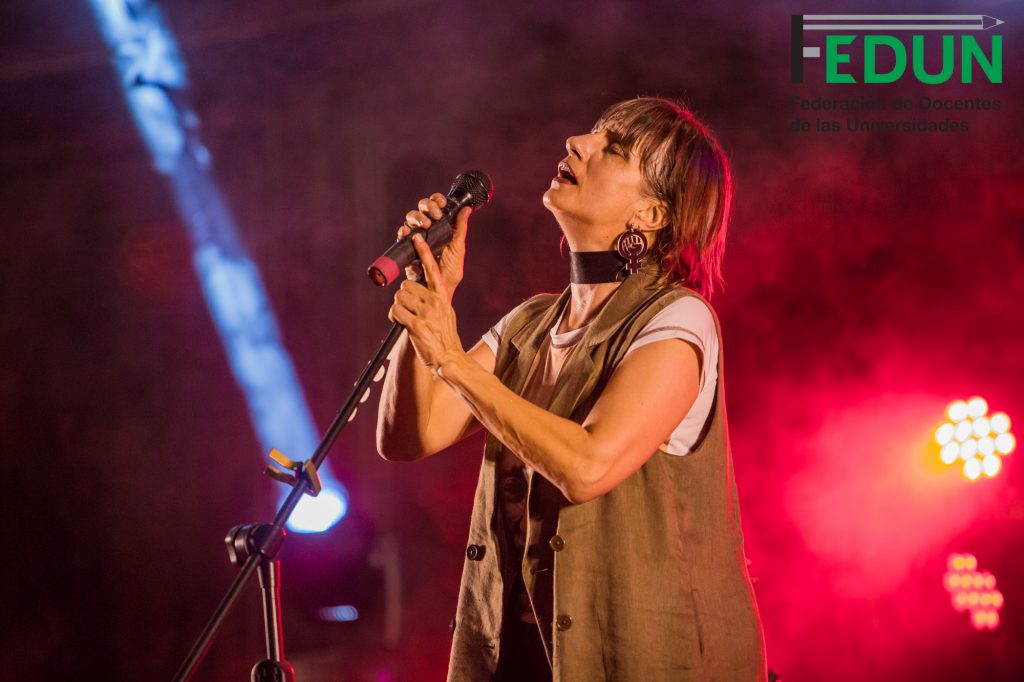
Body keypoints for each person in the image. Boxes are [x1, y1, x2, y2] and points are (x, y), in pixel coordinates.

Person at [376, 96, 767, 681]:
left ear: (652, 215)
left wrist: (452, 360)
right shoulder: (531, 323)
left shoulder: (678, 320)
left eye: (614, 148)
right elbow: (408, 436)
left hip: (650, 662)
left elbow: (588, 467)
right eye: (590, 134)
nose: (576, 145)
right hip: (529, 660)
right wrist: (430, 290)